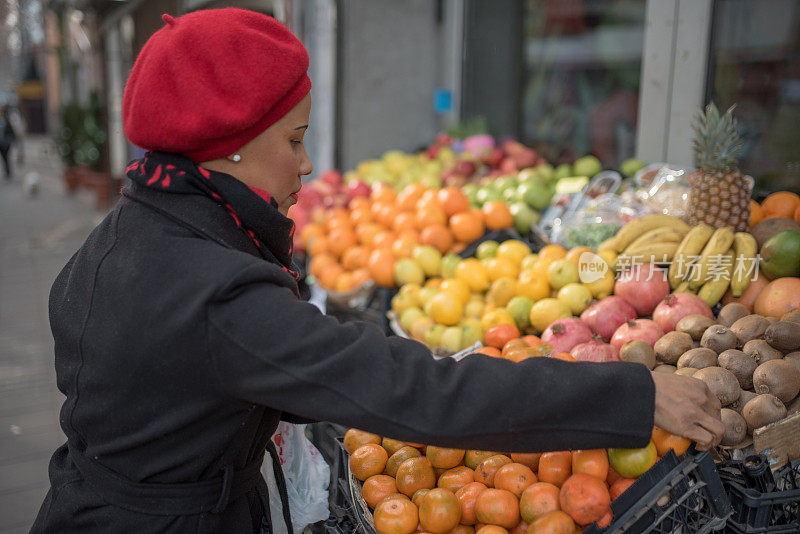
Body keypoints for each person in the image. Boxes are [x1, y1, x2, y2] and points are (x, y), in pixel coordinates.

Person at [31, 9, 723, 534]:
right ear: (229, 149)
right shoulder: (217, 292)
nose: (306, 165)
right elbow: (417, 393)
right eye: (294, 141)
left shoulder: (131, 229)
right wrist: (631, 397)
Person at [0, 104, 17, 181]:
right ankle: (6, 171)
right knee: (3, 158)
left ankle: (8, 172)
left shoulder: (7, 121)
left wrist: (10, 141)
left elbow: (12, 133)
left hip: (5, 143)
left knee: (6, 158)